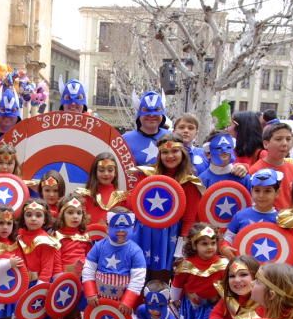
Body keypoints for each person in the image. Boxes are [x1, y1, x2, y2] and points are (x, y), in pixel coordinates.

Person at [82, 209, 146, 319]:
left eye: (126, 226)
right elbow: (88, 270)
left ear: (133, 227)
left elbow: (138, 278)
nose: (121, 230)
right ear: (108, 226)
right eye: (116, 225)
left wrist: (128, 301)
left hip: (121, 306)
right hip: (99, 303)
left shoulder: (135, 251)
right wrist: (90, 292)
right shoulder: (99, 246)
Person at [132, 136, 205, 273]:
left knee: (163, 277)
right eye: (165, 152)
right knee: (138, 274)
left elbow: (189, 219)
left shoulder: (189, 182)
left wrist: (181, 249)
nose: (170, 156)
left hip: (171, 237)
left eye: (175, 151)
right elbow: (135, 206)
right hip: (144, 233)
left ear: (182, 152)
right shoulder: (147, 175)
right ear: (159, 155)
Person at [15, 200, 60, 319]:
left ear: (45, 218)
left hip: (42, 285)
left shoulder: (46, 240)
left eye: (38, 215)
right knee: (30, 318)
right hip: (26, 284)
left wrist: (40, 290)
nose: (33, 219)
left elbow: (47, 269)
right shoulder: (19, 236)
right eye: (29, 215)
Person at [171, 224, 226, 319]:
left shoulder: (223, 264)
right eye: (204, 244)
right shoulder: (186, 265)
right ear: (194, 245)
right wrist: (175, 300)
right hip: (191, 306)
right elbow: (177, 284)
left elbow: (228, 288)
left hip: (214, 307)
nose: (210, 247)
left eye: (213, 243)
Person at [53, 195, 91, 319]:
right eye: (70, 212)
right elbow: (55, 259)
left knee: (73, 310)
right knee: (56, 309)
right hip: (60, 281)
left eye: (78, 212)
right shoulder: (56, 236)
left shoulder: (85, 237)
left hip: (79, 282)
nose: (75, 216)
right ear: (62, 215)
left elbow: (90, 258)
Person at [222, 168, 281, 256]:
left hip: (271, 267)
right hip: (243, 265)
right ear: (251, 191)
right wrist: (225, 247)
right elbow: (228, 238)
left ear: (277, 193)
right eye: (257, 190)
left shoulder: (281, 219)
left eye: (267, 191)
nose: (261, 195)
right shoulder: (240, 216)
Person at [249, 122, 293, 210]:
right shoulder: (254, 171)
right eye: (278, 139)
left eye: (288, 139)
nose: (285, 143)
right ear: (266, 144)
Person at [76, 153, 129, 230]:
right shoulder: (84, 195)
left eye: (110, 170)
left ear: (115, 173)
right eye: (101, 170)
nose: (106, 173)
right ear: (95, 172)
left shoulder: (122, 198)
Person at [123, 91, 170, 166]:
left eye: (157, 110)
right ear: (139, 115)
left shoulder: (171, 137)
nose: (151, 115)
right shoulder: (125, 140)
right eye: (146, 110)